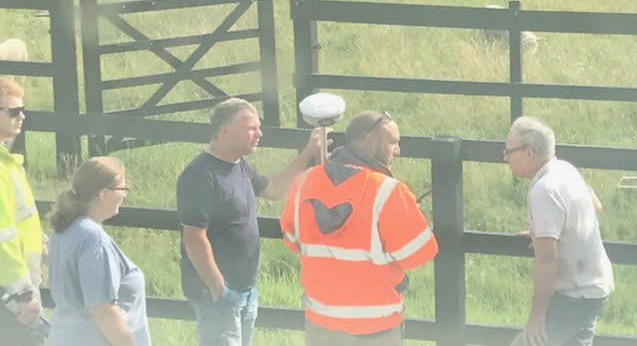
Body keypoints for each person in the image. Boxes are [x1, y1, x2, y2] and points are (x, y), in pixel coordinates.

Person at [280, 111, 439, 346]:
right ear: (370, 142)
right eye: (393, 142)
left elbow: (291, 239)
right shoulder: (388, 191)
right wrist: (410, 214)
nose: (398, 151)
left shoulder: (304, 182)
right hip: (376, 326)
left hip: (321, 324)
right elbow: (419, 254)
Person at [176, 97, 323, 346]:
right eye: (251, 128)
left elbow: (274, 189)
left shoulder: (239, 166)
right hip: (217, 293)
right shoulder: (200, 175)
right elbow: (193, 237)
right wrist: (218, 288)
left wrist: (308, 153)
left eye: (259, 127)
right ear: (224, 130)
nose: (259, 134)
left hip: (245, 289)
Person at [505, 116, 614, 346]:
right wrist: (544, 232)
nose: (506, 159)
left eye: (509, 151)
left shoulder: (544, 189)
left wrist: (536, 317)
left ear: (528, 152)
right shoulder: (566, 169)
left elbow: (547, 259)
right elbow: (595, 205)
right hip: (595, 287)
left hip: (576, 295)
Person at [47, 156, 151, 346]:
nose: (125, 195)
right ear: (104, 194)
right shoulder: (94, 240)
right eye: (122, 188)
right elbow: (103, 311)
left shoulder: (63, 229)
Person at [0, 77, 44, 345]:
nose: (22, 116)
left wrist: (42, 242)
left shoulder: (8, 163)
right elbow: (3, 237)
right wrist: (24, 295)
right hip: (10, 298)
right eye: (14, 111)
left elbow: (21, 219)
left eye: (22, 109)